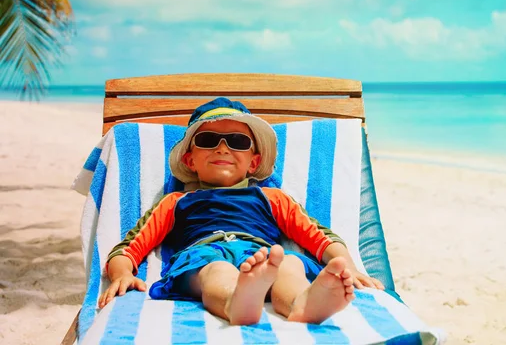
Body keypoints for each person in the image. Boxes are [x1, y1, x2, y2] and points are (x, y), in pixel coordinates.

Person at [98, 97, 384, 325]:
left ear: (253, 162)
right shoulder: (175, 201)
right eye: (208, 140)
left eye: (237, 142)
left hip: (261, 254)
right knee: (215, 271)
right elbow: (129, 246)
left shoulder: (272, 197)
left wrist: (347, 264)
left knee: (288, 265)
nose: (222, 148)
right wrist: (122, 272)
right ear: (190, 159)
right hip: (204, 252)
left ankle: (302, 303)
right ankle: (235, 301)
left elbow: (318, 236)